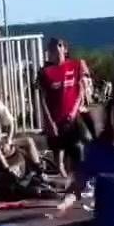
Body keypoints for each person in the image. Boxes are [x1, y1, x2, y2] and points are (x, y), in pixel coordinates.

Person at [37, 38, 92, 178]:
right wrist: (48, 121)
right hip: (56, 118)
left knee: (85, 141)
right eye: (52, 46)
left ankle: (83, 175)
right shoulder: (45, 72)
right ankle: (64, 179)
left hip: (72, 115)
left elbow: (80, 90)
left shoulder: (74, 65)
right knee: (59, 151)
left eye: (59, 45)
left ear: (65, 49)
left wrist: (74, 111)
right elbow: (42, 98)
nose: (56, 48)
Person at [0, 85, 43, 179]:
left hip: (0, 139)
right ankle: (9, 172)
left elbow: (11, 122)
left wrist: (8, 140)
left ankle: (39, 170)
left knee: (28, 141)